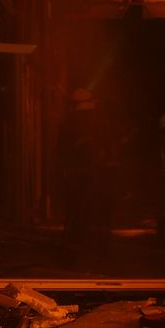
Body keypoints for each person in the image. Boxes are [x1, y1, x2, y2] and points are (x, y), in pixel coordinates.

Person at [58, 88, 103, 238]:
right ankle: (80, 236)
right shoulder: (88, 122)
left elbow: (60, 149)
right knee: (84, 205)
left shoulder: (68, 122)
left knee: (75, 206)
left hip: (76, 172)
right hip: (84, 171)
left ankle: (74, 236)